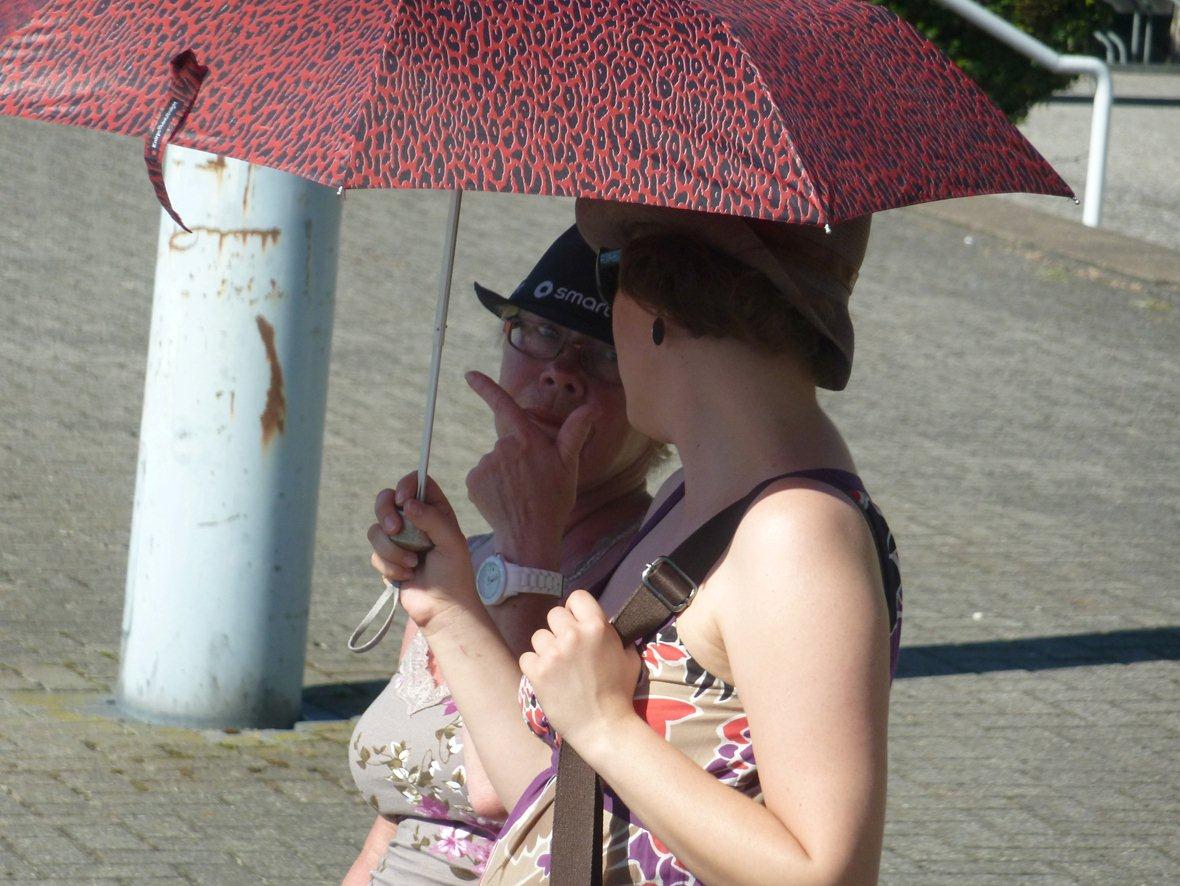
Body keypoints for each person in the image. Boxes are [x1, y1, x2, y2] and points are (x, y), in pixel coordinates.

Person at [388, 199, 903, 884]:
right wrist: (446, 603)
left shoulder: (792, 533)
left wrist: (606, 725)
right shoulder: (692, 498)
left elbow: (825, 872)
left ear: (657, 308)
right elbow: (552, 795)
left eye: (612, 277)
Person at [344, 225, 666, 884]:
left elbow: (506, 784)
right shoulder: (464, 562)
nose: (560, 372)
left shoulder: (650, 581)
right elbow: (400, 816)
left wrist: (528, 544)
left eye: (603, 353)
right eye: (541, 332)